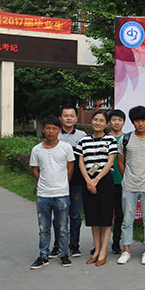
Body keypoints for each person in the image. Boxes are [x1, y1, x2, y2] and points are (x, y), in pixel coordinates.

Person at [29, 116, 75, 269]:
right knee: (44, 228)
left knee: (63, 227)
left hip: (61, 194)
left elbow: (70, 168)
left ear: (59, 130)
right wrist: (43, 183)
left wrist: (63, 184)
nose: (51, 131)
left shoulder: (66, 148)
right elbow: (35, 170)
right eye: (48, 128)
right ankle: (43, 255)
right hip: (43, 194)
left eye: (54, 128)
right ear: (43, 129)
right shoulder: (37, 149)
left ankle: (64, 254)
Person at [116, 106, 145, 265]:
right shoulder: (125, 139)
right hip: (129, 186)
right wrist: (127, 176)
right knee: (127, 220)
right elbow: (120, 162)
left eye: (143, 120)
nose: (141, 123)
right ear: (132, 122)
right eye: (137, 120)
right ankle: (126, 251)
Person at [76, 111, 118, 266]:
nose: (97, 123)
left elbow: (110, 161)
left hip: (104, 180)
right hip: (88, 181)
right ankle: (97, 250)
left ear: (106, 124)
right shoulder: (84, 140)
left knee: (105, 218)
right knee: (93, 217)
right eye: (95, 119)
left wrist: (96, 179)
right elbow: (81, 162)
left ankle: (103, 252)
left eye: (101, 120)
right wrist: (89, 180)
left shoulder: (110, 139)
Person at [52, 105, 87, 259]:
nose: (69, 118)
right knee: (58, 216)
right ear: (60, 118)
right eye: (65, 116)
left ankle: (74, 245)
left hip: (77, 182)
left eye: (72, 116)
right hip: (58, 182)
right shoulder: (54, 135)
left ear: (76, 118)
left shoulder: (82, 136)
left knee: (75, 215)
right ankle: (57, 245)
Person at [108, 109, 126, 255]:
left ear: (124, 122)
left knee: (120, 214)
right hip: (106, 181)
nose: (116, 122)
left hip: (122, 181)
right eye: (114, 119)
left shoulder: (127, 138)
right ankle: (100, 244)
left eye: (119, 120)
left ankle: (116, 242)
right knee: (105, 214)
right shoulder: (104, 138)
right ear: (109, 122)